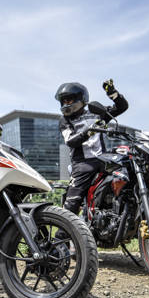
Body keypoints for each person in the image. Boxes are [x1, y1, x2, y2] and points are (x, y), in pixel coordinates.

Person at [55, 79, 129, 216]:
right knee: (72, 201)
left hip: (104, 160)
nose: (66, 104)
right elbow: (70, 141)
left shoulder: (97, 112)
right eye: (63, 101)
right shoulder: (64, 120)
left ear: (81, 99)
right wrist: (89, 131)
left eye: (69, 100)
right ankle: (61, 236)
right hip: (83, 164)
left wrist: (112, 92)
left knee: (126, 178)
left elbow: (122, 107)